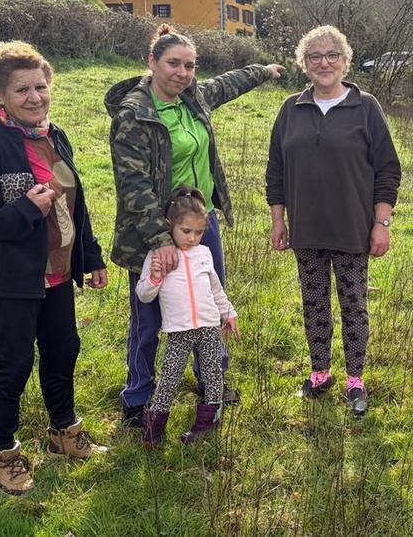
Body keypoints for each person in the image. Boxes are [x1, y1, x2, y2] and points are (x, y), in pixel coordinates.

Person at [0, 41, 109, 496]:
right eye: (22, 90)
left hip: (57, 274)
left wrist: (91, 256)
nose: (34, 96)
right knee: (13, 364)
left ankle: (64, 432)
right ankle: (2, 452)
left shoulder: (54, 135)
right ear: (2, 96)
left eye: (41, 86)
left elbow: (76, 203)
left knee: (63, 351)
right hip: (12, 280)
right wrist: (22, 210)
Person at [106, 24, 284, 428]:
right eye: (173, 63)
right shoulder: (134, 114)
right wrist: (160, 240)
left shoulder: (193, 98)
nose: (182, 73)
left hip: (201, 223)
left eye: (189, 65)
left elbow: (228, 83)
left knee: (208, 309)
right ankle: (139, 397)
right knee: (148, 318)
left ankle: (212, 384)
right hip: (152, 230)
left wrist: (264, 69)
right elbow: (131, 184)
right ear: (151, 63)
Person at [265, 25, 402, 418]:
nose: (324, 63)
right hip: (306, 229)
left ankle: (355, 380)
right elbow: (275, 170)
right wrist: (279, 221)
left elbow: (388, 170)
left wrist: (382, 223)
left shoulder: (366, 107)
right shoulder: (291, 109)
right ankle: (320, 372)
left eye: (332, 55)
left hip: (352, 229)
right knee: (313, 303)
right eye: (314, 57)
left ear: (345, 61)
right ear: (304, 65)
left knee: (354, 304)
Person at [136, 187, 240, 446]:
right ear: (170, 224)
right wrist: (155, 278)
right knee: (170, 377)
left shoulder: (204, 254)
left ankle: (207, 421)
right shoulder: (159, 256)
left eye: (199, 232)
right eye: (186, 231)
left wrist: (229, 313)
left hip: (208, 327)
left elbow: (216, 289)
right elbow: (144, 295)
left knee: (213, 374)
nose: (193, 238)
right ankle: (155, 425)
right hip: (179, 329)